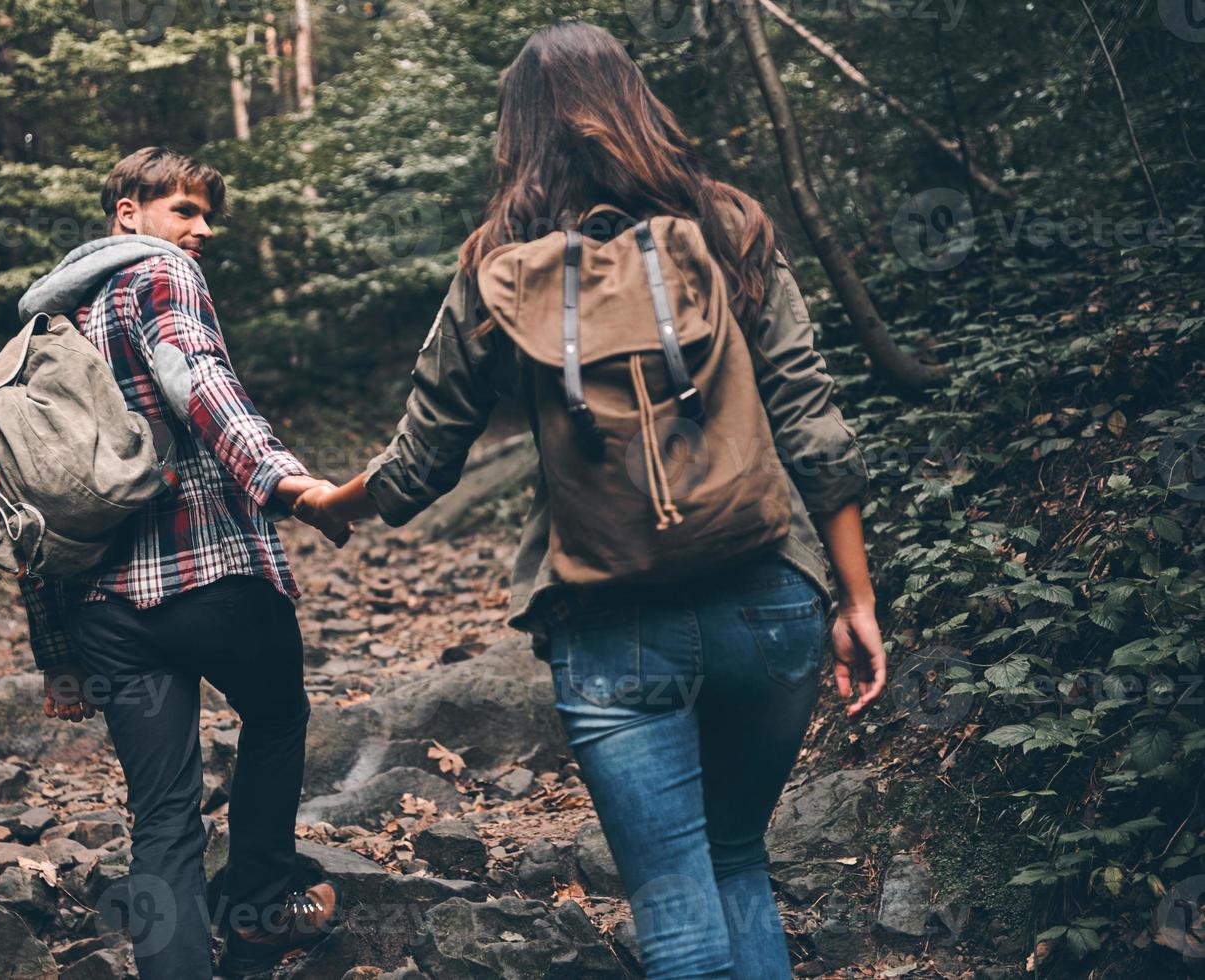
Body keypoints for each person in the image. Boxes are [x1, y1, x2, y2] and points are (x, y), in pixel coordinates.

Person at [294, 23, 886, 980]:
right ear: (638, 102)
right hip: (767, 596)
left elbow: (422, 461)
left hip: (607, 621)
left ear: (516, 135)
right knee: (738, 860)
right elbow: (814, 426)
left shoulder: (497, 264)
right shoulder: (730, 227)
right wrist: (855, 601)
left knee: (676, 910)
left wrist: (336, 502)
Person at [16, 147, 351, 979]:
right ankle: (263, 915)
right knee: (276, 717)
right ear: (128, 212)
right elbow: (196, 376)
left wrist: (54, 652)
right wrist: (287, 483)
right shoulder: (159, 276)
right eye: (184, 210)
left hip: (101, 609)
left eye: (207, 217)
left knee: (161, 815)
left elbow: (33, 490)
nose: (200, 231)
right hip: (208, 576)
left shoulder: (43, 330)